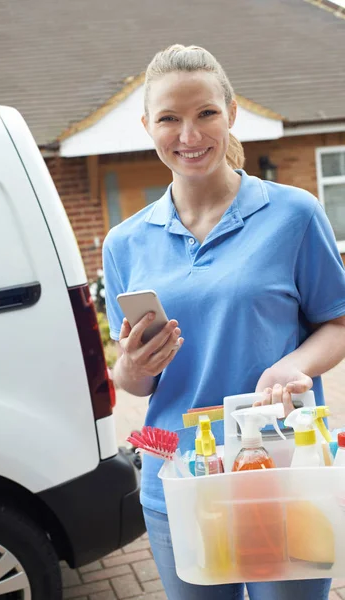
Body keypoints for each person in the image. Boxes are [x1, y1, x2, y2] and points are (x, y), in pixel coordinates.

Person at [102, 44, 345, 600]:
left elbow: (338, 323)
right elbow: (137, 382)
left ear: (231, 114)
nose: (189, 135)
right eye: (169, 118)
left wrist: (292, 365)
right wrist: (133, 368)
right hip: (182, 482)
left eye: (205, 113)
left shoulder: (294, 214)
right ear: (147, 126)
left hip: (287, 472)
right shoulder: (125, 244)